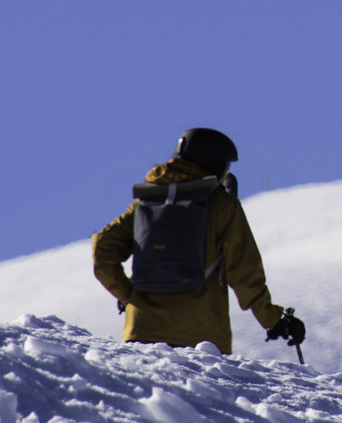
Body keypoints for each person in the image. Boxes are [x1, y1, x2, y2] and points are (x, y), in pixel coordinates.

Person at [92, 127, 303, 355]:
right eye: (226, 166)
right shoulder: (223, 205)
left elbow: (103, 250)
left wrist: (129, 295)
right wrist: (273, 319)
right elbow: (244, 271)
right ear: (215, 165)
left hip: (141, 333)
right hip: (201, 339)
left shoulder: (146, 204)